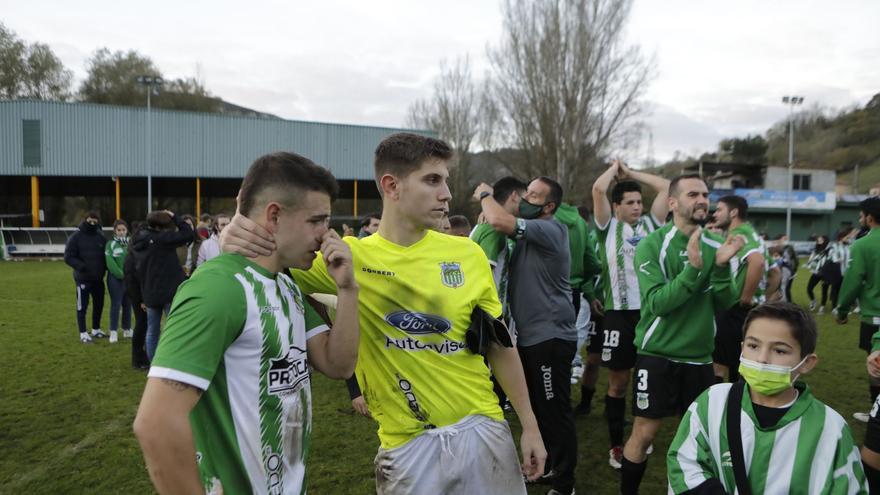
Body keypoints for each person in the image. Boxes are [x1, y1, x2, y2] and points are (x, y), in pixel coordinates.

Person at [223, 133, 546, 494]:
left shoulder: (466, 255)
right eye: (432, 180)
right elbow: (265, 252)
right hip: (407, 446)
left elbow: (500, 346)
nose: (447, 194)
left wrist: (529, 424)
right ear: (391, 186)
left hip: (482, 429)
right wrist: (236, 227)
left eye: (446, 181)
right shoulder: (347, 257)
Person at [134, 151, 359, 494]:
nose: (325, 235)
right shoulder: (219, 288)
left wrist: (347, 289)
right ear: (274, 216)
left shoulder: (286, 287)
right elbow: (155, 424)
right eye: (317, 220)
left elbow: (338, 363)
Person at [619, 174, 742, 495]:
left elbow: (725, 302)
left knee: (701, 437)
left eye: (705, 194)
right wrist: (693, 269)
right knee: (644, 433)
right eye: (693, 194)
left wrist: (718, 269)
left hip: (700, 358)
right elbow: (658, 303)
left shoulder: (716, 244)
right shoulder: (652, 245)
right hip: (657, 354)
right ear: (672, 202)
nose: (702, 200)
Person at [667, 302, 867, 494]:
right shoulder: (712, 403)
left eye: (779, 350)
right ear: (742, 347)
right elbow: (683, 462)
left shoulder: (830, 428)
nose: (762, 358)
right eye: (753, 346)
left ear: (807, 363)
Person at [475, 175, 578, 495]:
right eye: (524, 194)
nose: (524, 200)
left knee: (554, 410)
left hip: (550, 336)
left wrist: (484, 195)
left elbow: (498, 219)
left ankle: (565, 483)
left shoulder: (550, 229)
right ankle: (548, 466)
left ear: (548, 206)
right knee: (539, 407)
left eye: (532, 196)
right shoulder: (529, 235)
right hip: (533, 337)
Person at [591, 159, 670, 469]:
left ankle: (638, 435)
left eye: (640, 202)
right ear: (617, 206)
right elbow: (598, 187)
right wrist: (614, 168)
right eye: (630, 202)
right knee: (618, 382)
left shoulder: (654, 224)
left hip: (652, 314)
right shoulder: (608, 226)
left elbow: (665, 187)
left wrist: (632, 174)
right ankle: (616, 445)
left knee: (647, 378)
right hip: (619, 315)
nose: (637, 207)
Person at [711, 195, 766, 383]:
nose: (715, 213)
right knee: (738, 361)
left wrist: (745, 297)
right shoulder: (752, 233)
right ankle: (738, 404)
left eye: (719, 209)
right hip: (745, 310)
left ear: (733, 212)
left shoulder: (739, 234)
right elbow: (774, 271)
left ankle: (716, 406)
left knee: (718, 363)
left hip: (733, 308)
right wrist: (771, 295)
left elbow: (757, 262)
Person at [838, 197, 880, 431]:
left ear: (869, 217)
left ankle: (876, 412)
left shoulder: (862, 245)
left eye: (861, 214)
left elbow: (853, 281)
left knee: (876, 368)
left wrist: (842, 309)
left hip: (874, 318)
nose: (859, 218)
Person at [132, 210, 193, 361]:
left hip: (150, 291)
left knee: (152, 330)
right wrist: (175, 216)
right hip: (169, 290)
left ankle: (153, 363)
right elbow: (188, 233)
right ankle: (174, 360)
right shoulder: (162, 239)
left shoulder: (140, 240)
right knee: (174, 327)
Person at [64, 211, 108, 344]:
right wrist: (81, 266)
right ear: (85, 220)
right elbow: (68, 257)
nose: (93, 224)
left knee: (99, 305)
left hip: (98, 279)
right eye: (90, 221)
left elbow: (106, 255)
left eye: (95, 221)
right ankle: (83, 333)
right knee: (82, 306)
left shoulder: (101, 237)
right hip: (82, 279)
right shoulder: (75, 237)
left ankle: (96, 329)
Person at [124, 222, 150, 369]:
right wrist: (141, 300)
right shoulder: (133, 257)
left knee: (145, 325)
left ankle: (143, 356)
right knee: (141, 325)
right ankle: (137, 358)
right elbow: (132, 281)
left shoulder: (140, 254)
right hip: (139, 297)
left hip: (144, 295)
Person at [104, 219, 132, 343]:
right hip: (115, 279)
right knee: (116, 304)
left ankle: (127, 329)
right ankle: (113, 331)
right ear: (115, 231)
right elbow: (110, 263)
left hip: (129, 279)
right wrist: (121, 275)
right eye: (119, 230)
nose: (121, 232)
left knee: (128, 304)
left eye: (123, 230)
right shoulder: (110, 244)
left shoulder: (131, 243)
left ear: (127, 231)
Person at [805, 235, 830, 313]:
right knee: (809, 288)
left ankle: (822, 307)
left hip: (825, 273)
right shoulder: (816, 249)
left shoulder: (829, 249)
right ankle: (813, 301)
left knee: (824, 291)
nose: (819, 240)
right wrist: (808, 263)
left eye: (821, 239)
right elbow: (812, 258)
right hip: (816, 273)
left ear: (825, 240)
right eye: (818, 239)